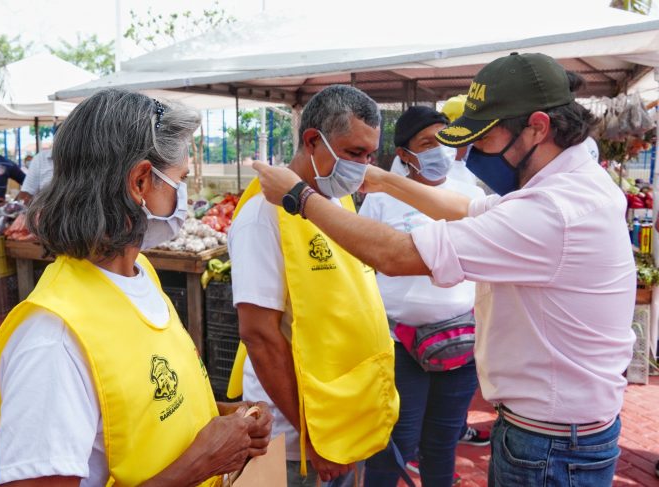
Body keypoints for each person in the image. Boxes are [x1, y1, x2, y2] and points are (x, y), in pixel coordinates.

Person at [252, 53, 635, 487]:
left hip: (549, 446)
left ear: (538, 127)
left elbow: (396, 255)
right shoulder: (567, 186)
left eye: (485, 139)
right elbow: (466, 208)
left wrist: (301, 197)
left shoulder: (554, 210)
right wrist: (383, 180)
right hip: (559, 433)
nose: (470, 155)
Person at [0, 89, 273, 486]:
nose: (182, 197)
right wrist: (200, 462)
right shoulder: (53, 342)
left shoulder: (140, 273)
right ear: (140, 181)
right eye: (180, 179)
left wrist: (226, 417)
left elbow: (142, 408)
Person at [227, 84, 399, 486]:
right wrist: (311, 436)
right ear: (312, 141)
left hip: (343, 421)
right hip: (295, 441)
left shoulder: (334, 203)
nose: (363, 166)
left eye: (370, 155)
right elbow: (259, 335)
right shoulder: (262, 216)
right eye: (354, 153)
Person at [360, 106, 484, 487]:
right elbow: (362, 261)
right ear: (403, 154)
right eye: (427, 143)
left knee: (442, 443)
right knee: (396, 442)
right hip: (401, 343)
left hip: (460, 343)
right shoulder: (381, 198)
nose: (439, 150)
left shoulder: (470, 194)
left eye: (445, 141)